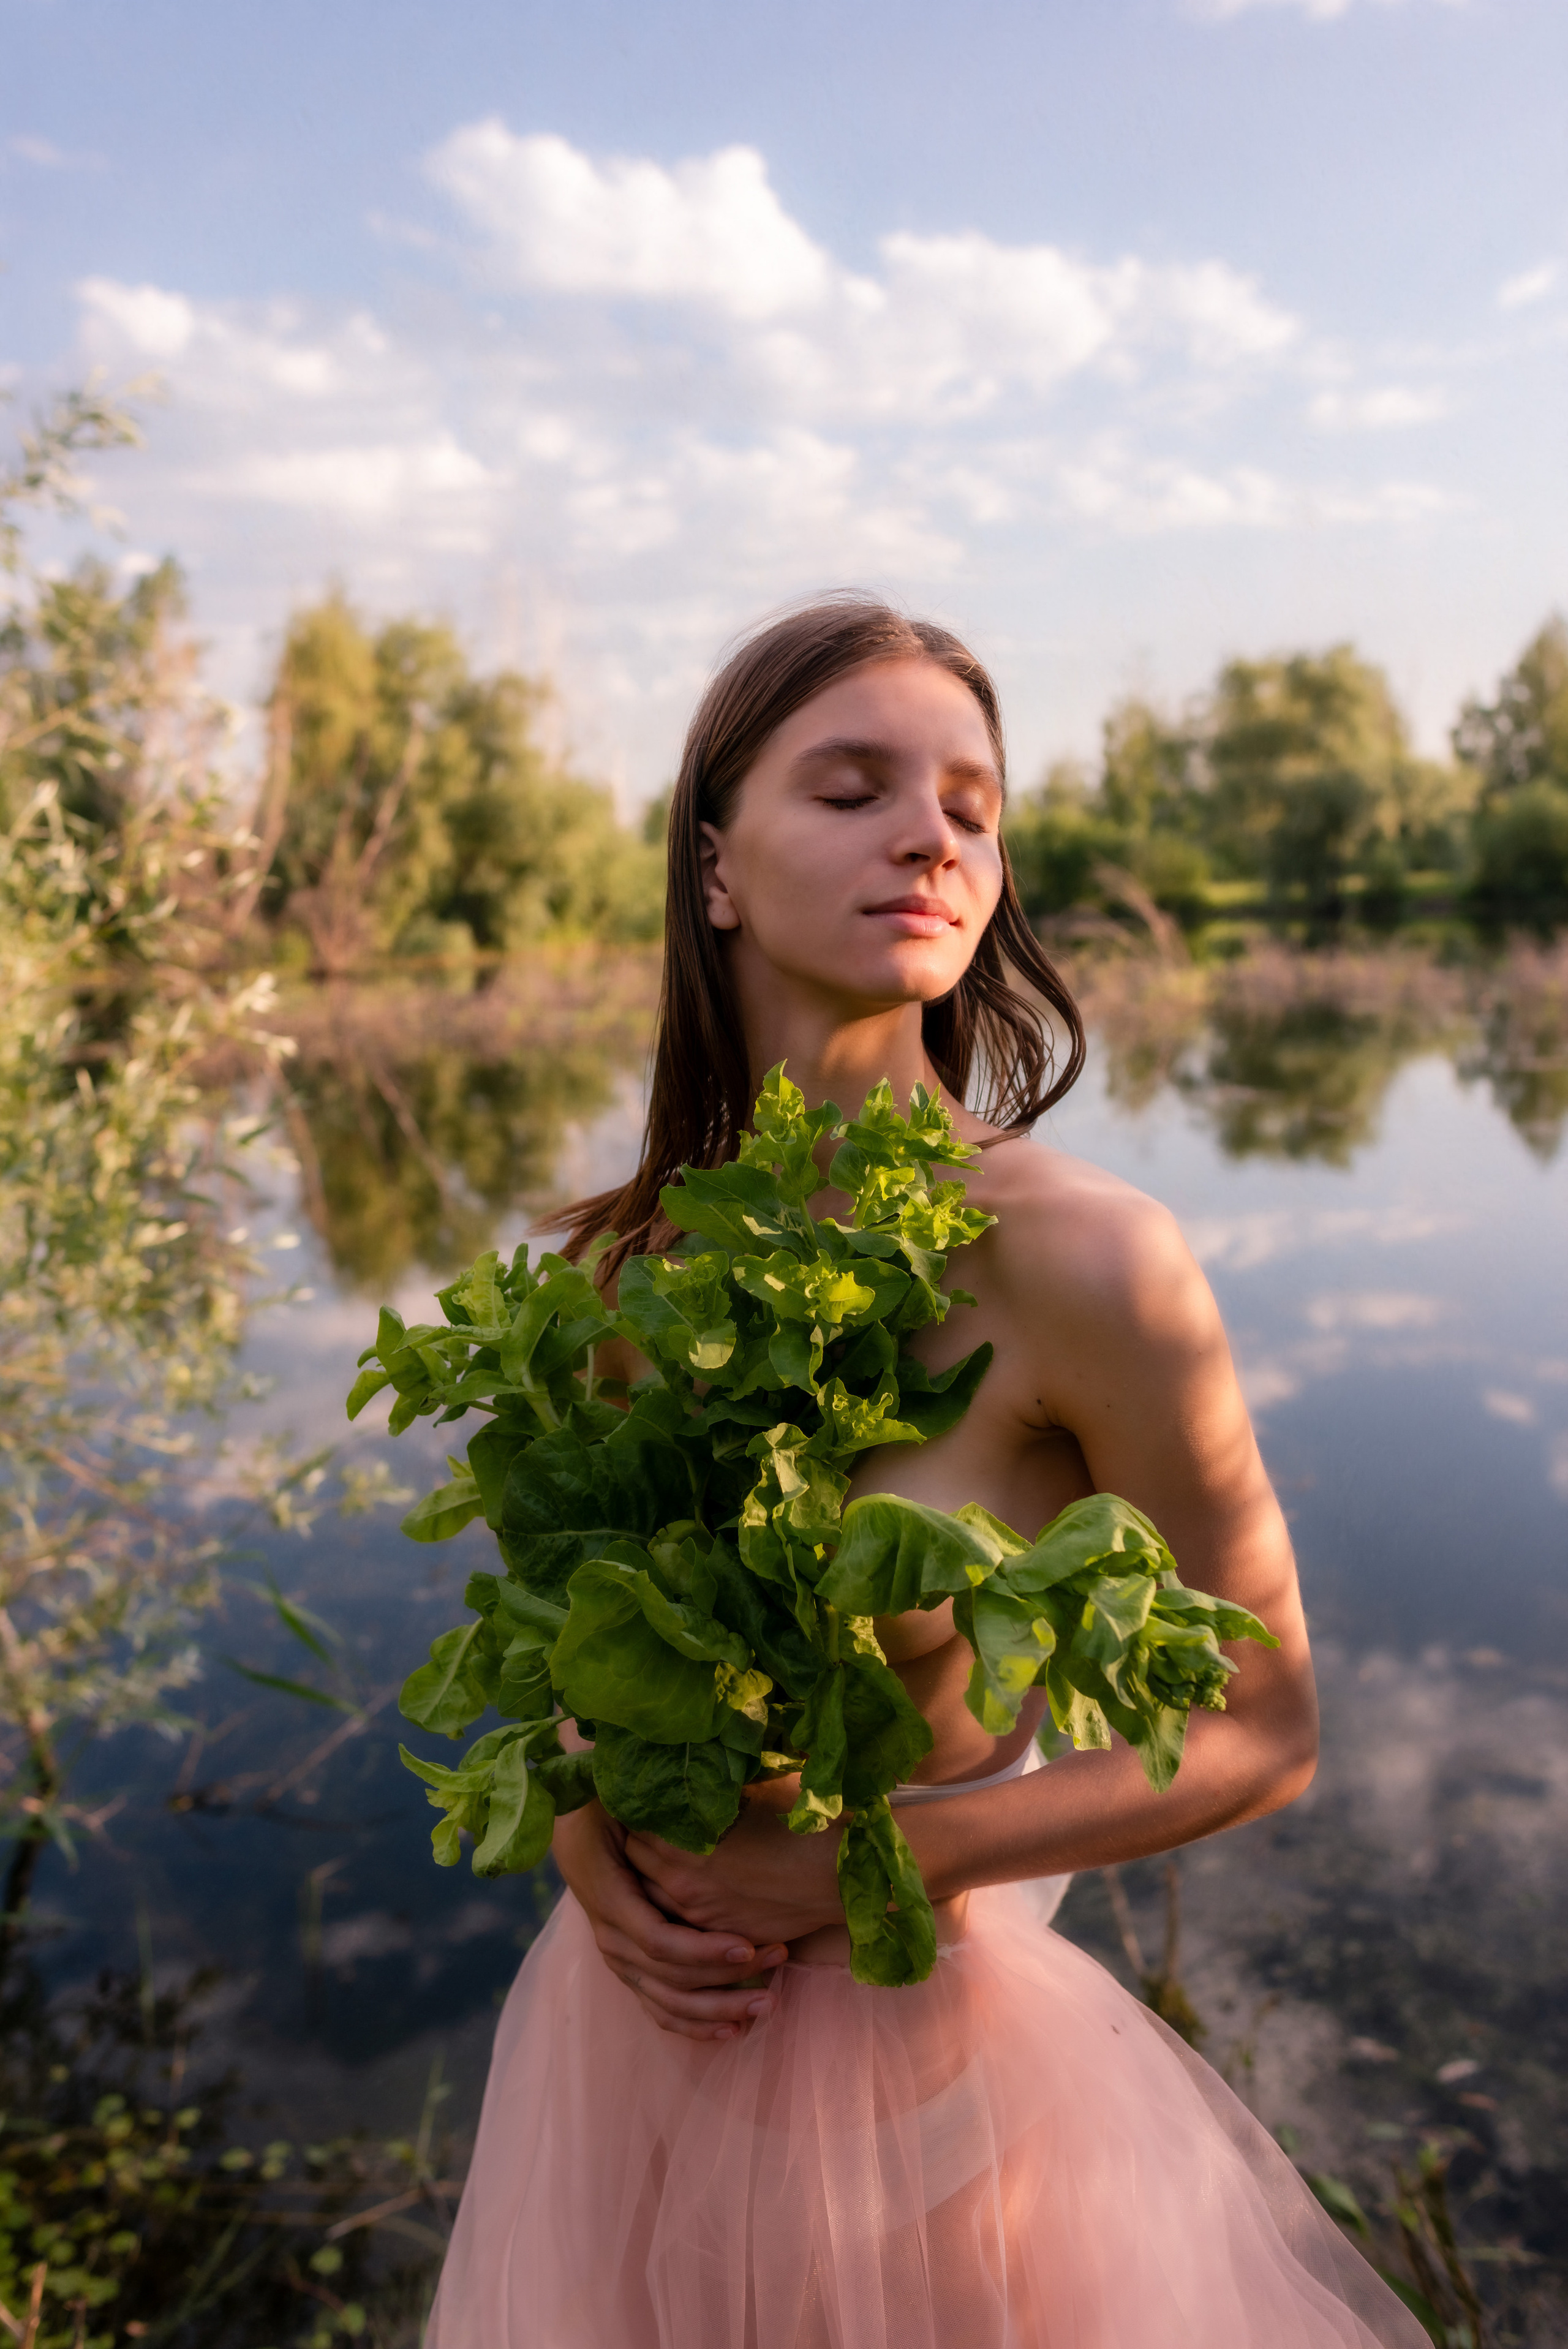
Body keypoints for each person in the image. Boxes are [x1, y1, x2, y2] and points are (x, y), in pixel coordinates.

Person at [425, 599, 1426, 2348]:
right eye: (855, 786)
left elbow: (1269, 1728)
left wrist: (862, 1863)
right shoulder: (603, 1276)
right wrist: (586, 1828)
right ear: (716, 866)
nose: (932, 836)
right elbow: (576, 1669)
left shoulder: (1090, 1259)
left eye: (971, 802)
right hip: (619, 2049)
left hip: (915, 2087)